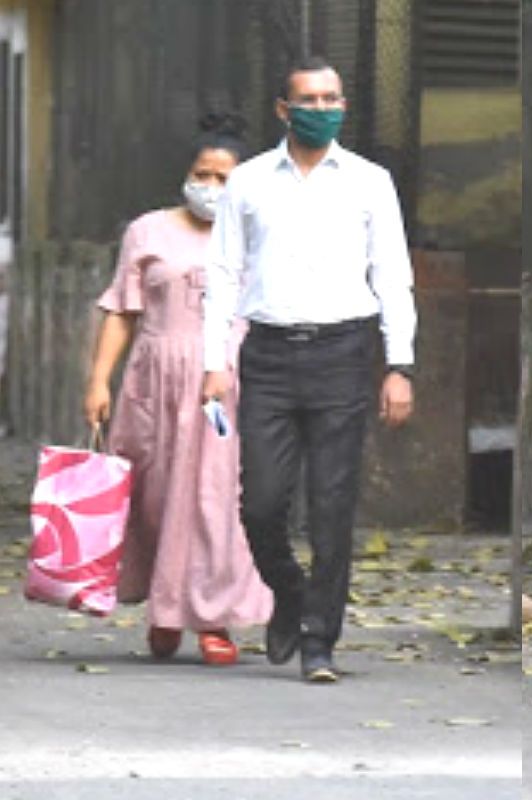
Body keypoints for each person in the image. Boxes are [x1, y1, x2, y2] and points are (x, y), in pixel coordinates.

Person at [202, 56, 417, 683]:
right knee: (261, 504)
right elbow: (222, 272)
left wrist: (400, 364)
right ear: (283, 109)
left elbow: (393, 275)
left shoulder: (370, 182)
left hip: (342, 354)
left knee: (331, 505)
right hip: (267, 355)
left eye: (332, 99)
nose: (322, 109)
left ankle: (320, 641)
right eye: (310, 100)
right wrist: (214, 361)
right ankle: (291, 593)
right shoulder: (247, 181)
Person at [83, 113, 272, 665]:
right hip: (153, 381)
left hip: (221, 386)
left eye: (223, 179)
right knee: (155, 496)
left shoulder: (256, 236)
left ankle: (212, 618)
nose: (209, 187)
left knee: (215, 499)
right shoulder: (147, 232)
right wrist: (98, 380)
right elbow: (122, 310)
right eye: (201, 174)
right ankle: (164, 610)